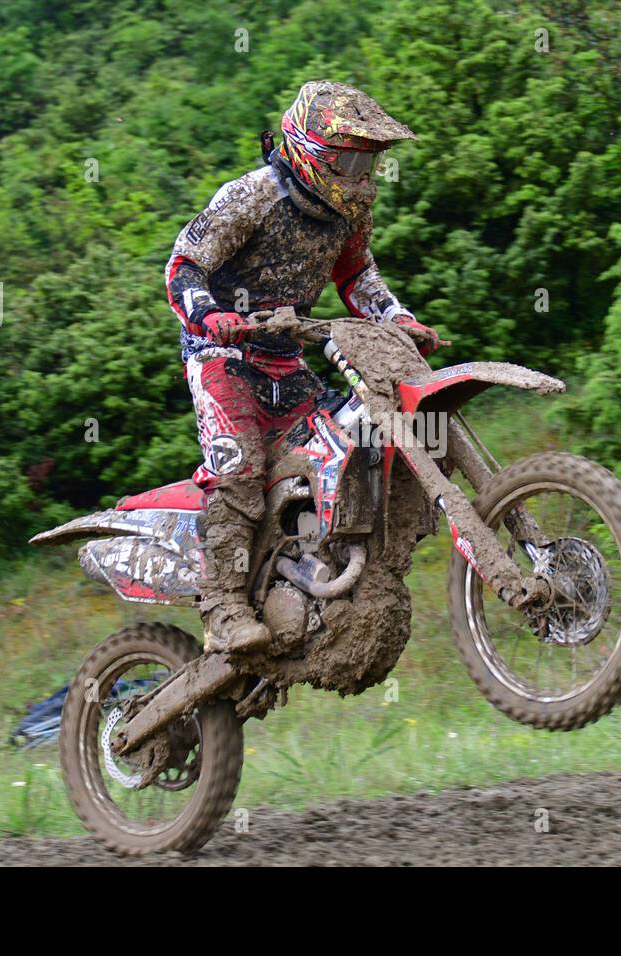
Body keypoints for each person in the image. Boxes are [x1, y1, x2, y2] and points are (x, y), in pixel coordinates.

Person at [165, 80, 440, 653]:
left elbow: (357, 277)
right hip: (223, 356)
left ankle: (318, 563)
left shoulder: (347, 215)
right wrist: (210, 314)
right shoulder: (251, 196)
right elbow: (183, 265)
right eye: (348, 159)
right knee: (239, 467)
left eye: (368, 161)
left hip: (286, 359)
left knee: (352, 440)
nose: (361, 176)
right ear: (309, 147)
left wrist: (399, 318)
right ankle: (222, 607)